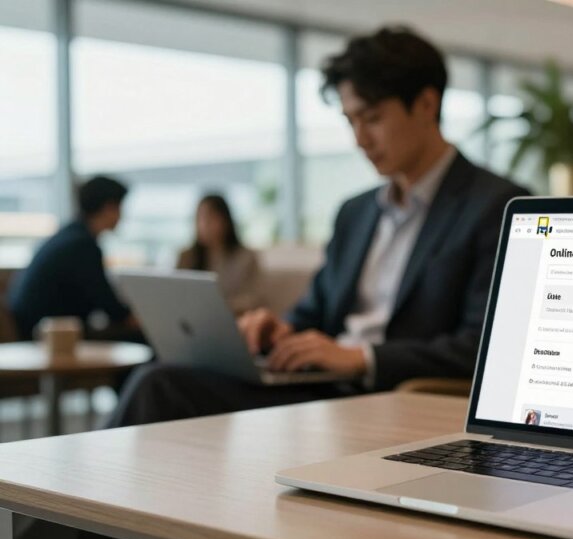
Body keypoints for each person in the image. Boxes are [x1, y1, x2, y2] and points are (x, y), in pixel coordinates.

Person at [106, 26, 530, 427]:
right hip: (323, 389)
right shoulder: (356, 213)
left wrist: (362, 357)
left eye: (373, 118)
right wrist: (279, 330)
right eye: (350, 121)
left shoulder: (497, 206)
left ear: (426, 104)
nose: (359, 139)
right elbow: (316, 312)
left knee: (161, 387)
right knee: (165, 372)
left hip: (392, 396)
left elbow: (487, 348)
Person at [7, 175, 140, 342]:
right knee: (141, 338)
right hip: (52, 335)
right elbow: (110, 306)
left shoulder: (67, 236)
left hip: (35, 327)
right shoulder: (83, 246)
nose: (122, 216)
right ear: (109, 207)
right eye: (120, 208)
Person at [177, 193, 263, 314]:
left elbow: (253, 300)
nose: (203, 225)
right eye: (199, 218)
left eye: (210, 218)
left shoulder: (246, 257)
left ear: (226, 221)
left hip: (231, 319)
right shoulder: (186, 256)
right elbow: (176, 294)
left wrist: (217, 306)